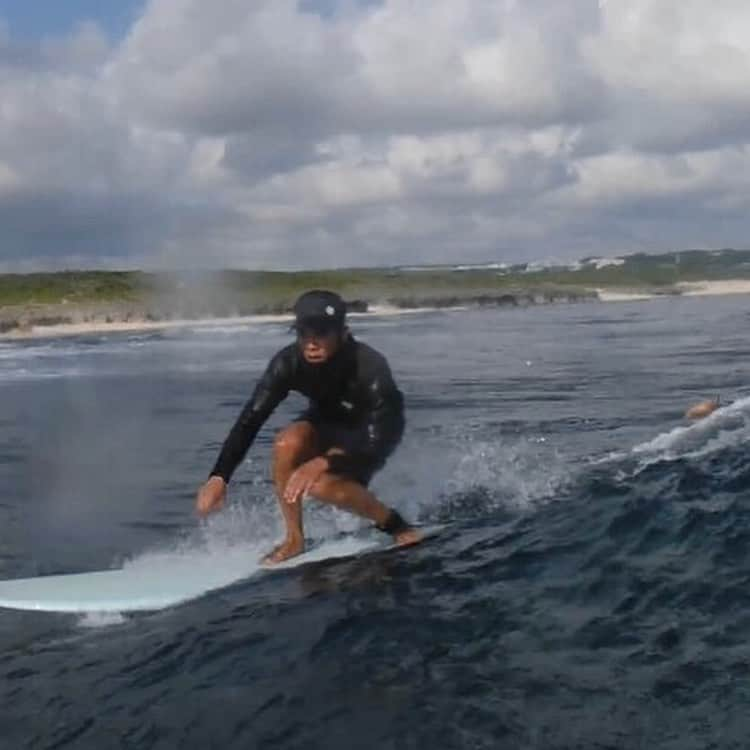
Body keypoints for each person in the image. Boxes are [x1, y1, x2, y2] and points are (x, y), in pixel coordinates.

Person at [195, 289, 422, 564]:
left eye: (322, 333)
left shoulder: (369, 366)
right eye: (304, 333)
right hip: (327, 423)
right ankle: (294, 539)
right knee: (286, 442)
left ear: (343, 332)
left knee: (321, 487)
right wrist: (220, 476)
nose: (311, 343)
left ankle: (396, 525)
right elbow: (251, 419)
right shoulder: (288, 363)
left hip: (373, 432)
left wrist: (324, 461)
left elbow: (380, 433)